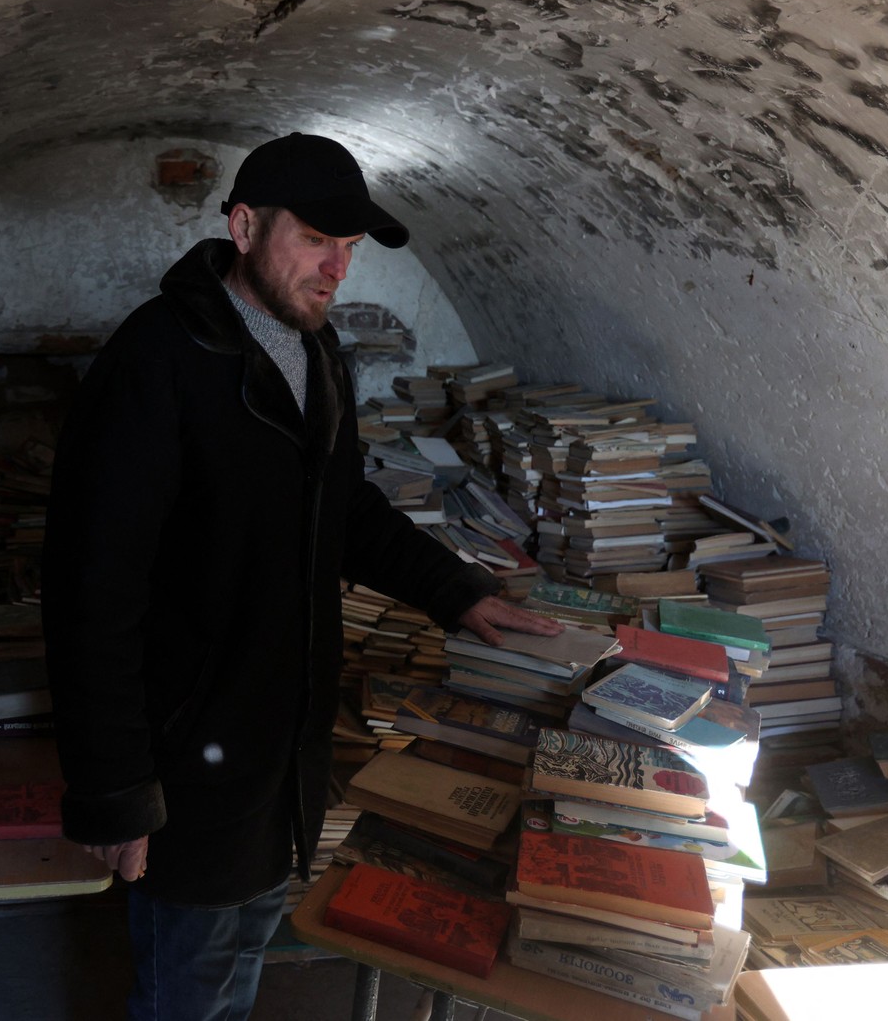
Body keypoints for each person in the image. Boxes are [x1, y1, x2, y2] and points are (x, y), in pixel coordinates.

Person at [41, 132, 561, 1021]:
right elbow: (92, 587)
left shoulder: (316, 356)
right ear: (243, 227)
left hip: (278, 754)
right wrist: (114, 791)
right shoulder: (155, 359)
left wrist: (458, 592)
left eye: (350, 250)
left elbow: (344, 510)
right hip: (187, 764)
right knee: (184, 995)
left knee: (242, 971)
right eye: (318, 241)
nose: (338, 270)